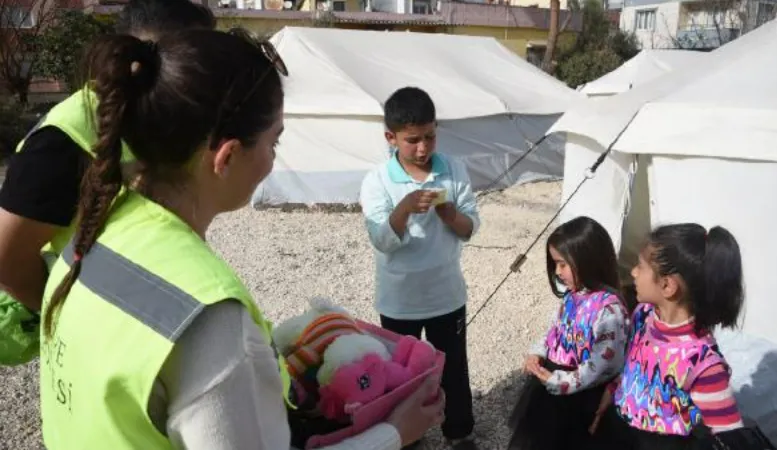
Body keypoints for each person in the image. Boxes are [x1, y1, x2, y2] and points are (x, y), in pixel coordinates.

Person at [38, 30, 444, 450]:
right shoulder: (210, 316)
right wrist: (393, 433)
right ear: (227, 157)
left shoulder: (94, 228)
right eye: (274, 141)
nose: (273, 158)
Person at [0, 0, 215, 366]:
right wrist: (80, 318)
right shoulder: (62, 139)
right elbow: (7, 259)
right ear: (140, 61)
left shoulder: (160, 121)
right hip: (103, 338)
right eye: (199, 63)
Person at [359, 87, 479, 450]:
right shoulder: (378, 180)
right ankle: (406, 436)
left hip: (446, 295)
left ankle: (459, 433)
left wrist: (450, 214)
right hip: (399, 301)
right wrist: (404, 208)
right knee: (401, 375)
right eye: (413, 141)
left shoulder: (453, 170)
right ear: (390, 138)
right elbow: (380, 239)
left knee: (454, 369)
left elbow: (470, 227)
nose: (424, 148)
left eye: (430, 136)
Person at [589, 224, 747, 450]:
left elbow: (731, 437)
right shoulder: (644, 315)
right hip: (621, 430)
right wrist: (614, 390)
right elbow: (634, 364)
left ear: (667, 286)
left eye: (640, 267)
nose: (633, 272)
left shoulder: (703, 364)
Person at [506, 216, 630, 450]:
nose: (557, 271)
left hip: (581, 397)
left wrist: (562, 382)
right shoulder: (572, 296)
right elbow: (556, 331)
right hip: (553, 385)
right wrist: (538, 352)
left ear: (588, 259)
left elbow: (605, 364)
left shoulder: (609, 309)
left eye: (563, 264)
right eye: (555, 264)